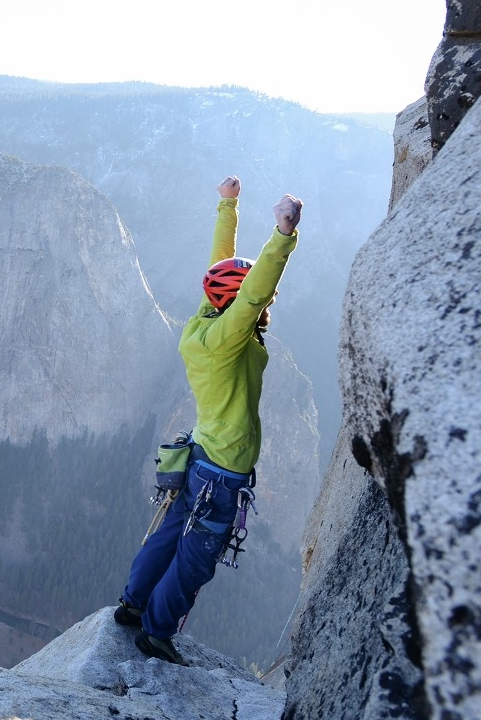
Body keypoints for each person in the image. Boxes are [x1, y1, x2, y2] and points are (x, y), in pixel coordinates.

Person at [115, 175, 302, 664]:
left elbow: (222, 269)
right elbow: (255, 292)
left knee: (171, 533)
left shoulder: (205, 318)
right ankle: (156, 633)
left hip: (199, 458)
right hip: (221, 472)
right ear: (235, 304)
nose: (262, 312)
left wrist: (228, 205)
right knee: (195, 557)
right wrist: (283, 235)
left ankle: (133, 605)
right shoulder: (231, 337)